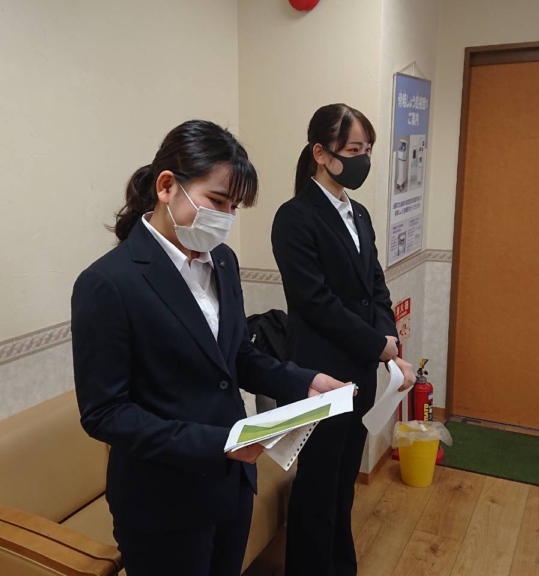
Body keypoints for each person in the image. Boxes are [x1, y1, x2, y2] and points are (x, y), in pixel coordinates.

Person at [71, 120, 351, 576]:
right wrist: (216, 444)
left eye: (234, 207)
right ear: (167, 186)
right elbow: (105, 413)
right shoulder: (108, 283)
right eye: (217, 201)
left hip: (232, 486)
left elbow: (236, 356)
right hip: (162, 503)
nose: (226, 217)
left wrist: (305, 381)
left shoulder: (222, 260)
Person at [272, 104, 416, 576]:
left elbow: (375, 285)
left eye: (367, 150)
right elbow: (316, 302)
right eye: (353, 150)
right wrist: (377, 345)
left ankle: (339, 565)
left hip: (359, 371)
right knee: (316, 486)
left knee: (342, 483)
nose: (363, 159)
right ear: (321, 153)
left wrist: (389, 337)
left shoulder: (360, 214)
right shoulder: (294, 217)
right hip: (318, 374)